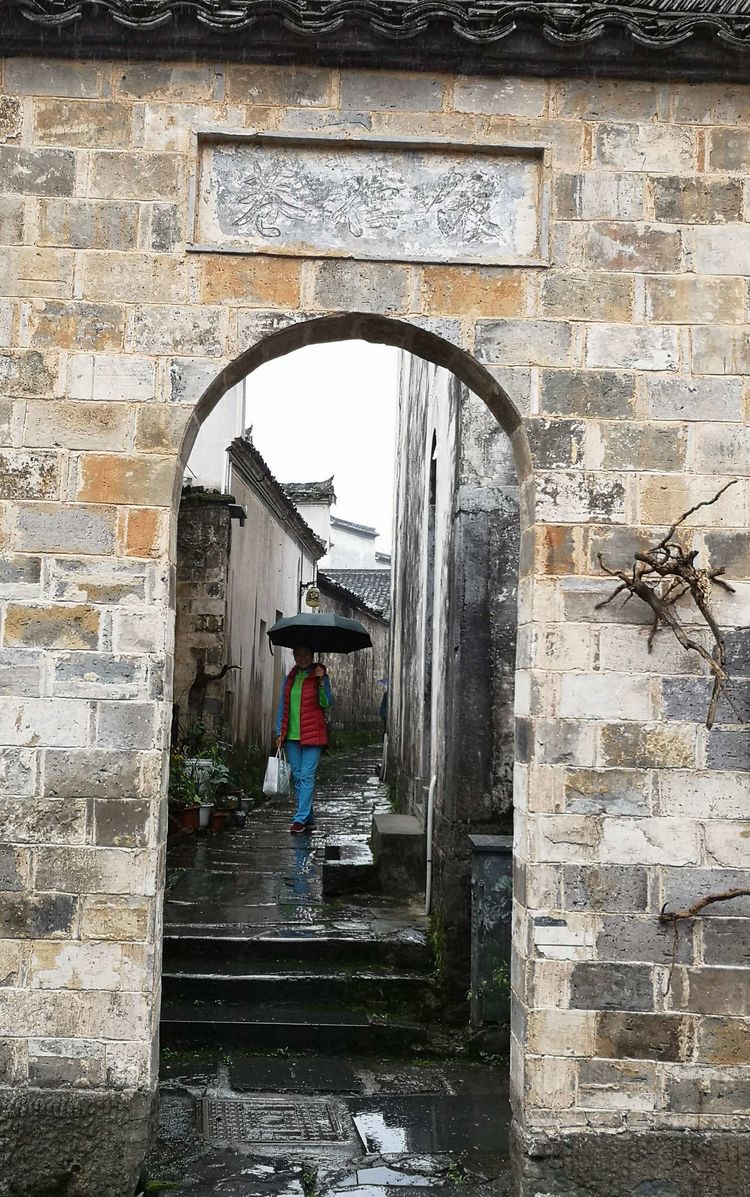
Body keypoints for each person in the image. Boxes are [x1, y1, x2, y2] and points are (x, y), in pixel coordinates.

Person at [275, 644, 332, 834]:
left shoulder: (320, 677)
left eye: (306, 654)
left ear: (312, 655)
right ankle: (309, 818)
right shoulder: (289, 679)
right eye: (298, 654)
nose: (302, 658)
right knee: (298, 777)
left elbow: (326, 702)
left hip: (313, 734)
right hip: (291, 736)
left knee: (307, 775)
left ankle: (299, 819)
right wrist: (279, 732)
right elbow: (282, 706)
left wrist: (321, 681)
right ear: (294, 656)